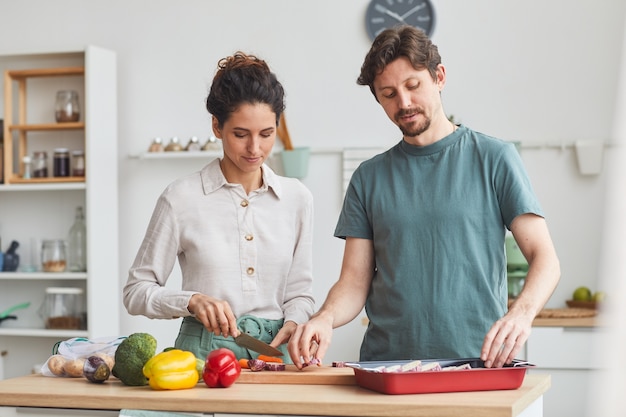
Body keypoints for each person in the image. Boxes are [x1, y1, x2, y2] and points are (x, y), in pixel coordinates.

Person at [288, 26, 560, 369]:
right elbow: (354, 281)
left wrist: (521, 313)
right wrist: (324, 317)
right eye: (388, 94)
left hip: (476, 363)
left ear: (439, 77)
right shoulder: (368, 178)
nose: (403, 103)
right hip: (388, 368)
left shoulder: (494, 158)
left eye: (413, 86)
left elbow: (545, 258)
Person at [124, 52, 315, 362]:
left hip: (275, 354)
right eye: (241, 134)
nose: (255, 148)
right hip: (201, 350)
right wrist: (192, 301)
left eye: (266, 134)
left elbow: (300, 294)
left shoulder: (297, 198)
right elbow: (136, 292)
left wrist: (295, 322)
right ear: (217, 126)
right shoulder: (180, 198)